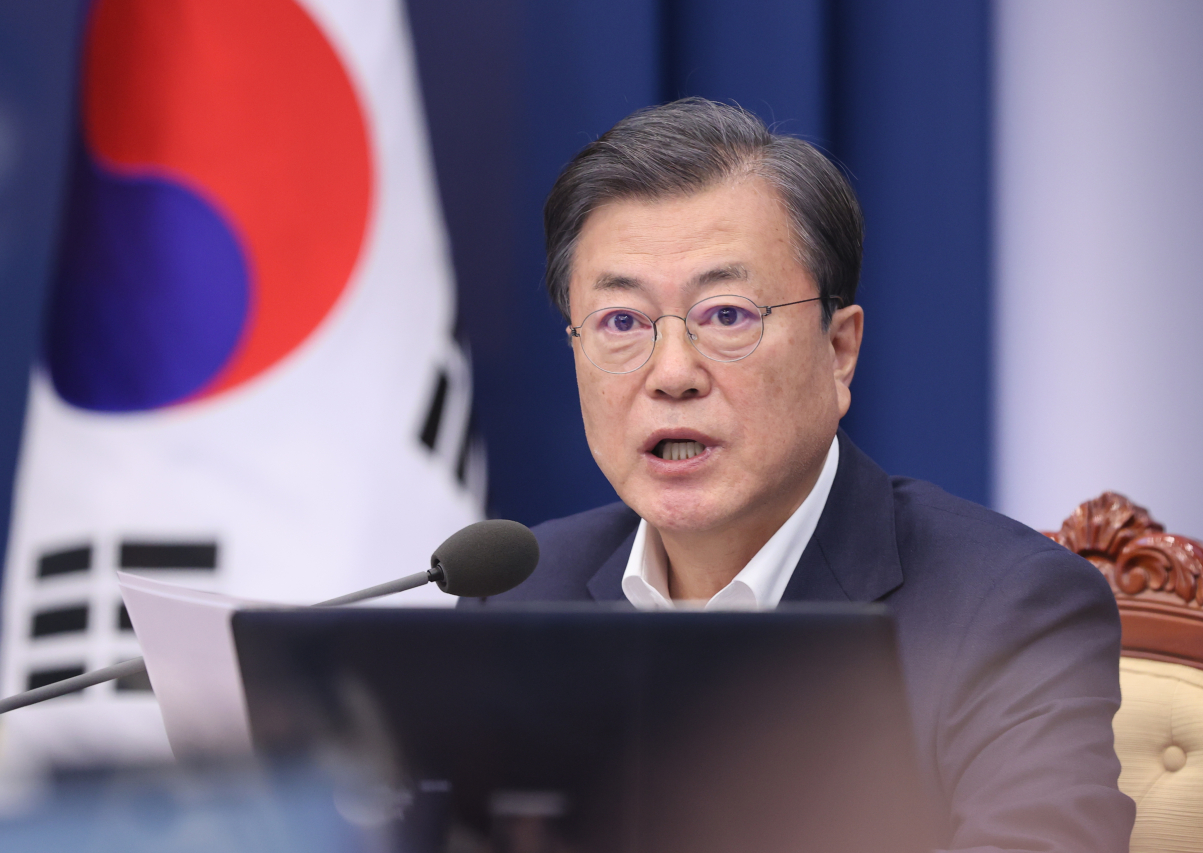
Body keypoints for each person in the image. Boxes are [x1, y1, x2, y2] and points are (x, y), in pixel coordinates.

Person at [467, 98, 1134, 852]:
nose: (673, 374)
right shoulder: (519, 597)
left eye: (727, 315)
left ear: (839, 349)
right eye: (622, 322)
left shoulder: (1006, 612)